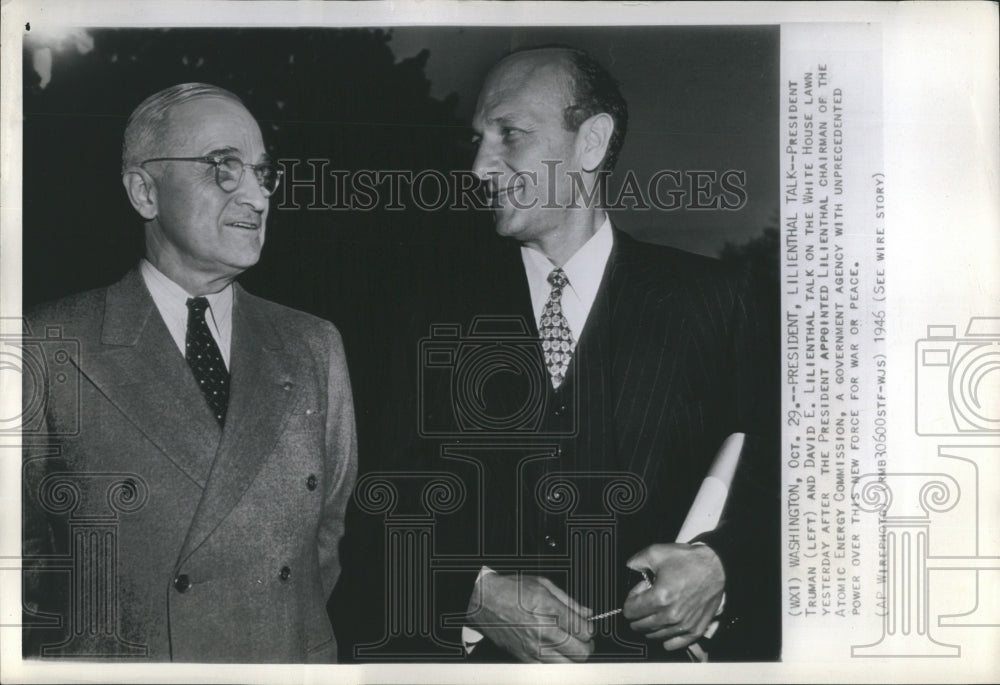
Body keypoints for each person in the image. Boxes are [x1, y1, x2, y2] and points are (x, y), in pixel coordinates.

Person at [332, 46, 779, 663]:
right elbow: (370, 514)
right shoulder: (420, 311)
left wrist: (721, 565)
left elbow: (795, 486)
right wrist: (473, 594)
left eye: (509, 134)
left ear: (591, 144)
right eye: (479, 140)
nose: (481, 167)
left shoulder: (715, 301)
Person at [21, 83, 357, 663]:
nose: (256, 195)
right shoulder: (49, 344)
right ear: (144, 191)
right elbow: (19, 564)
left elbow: (325, 543)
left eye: (261, 172)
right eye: (222, 167)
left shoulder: (312, 344)